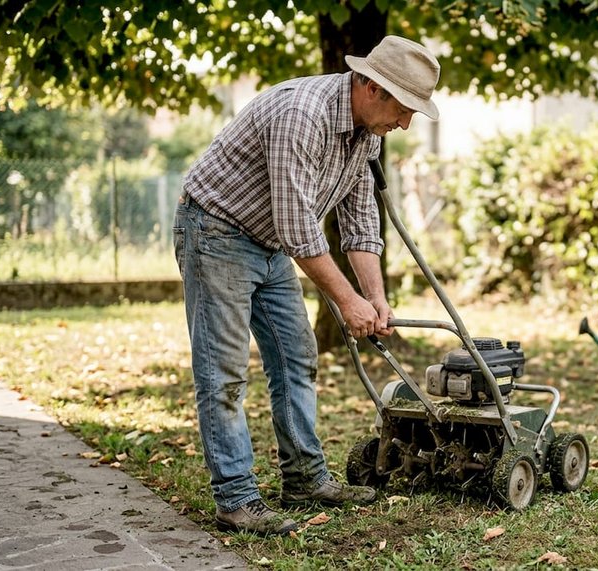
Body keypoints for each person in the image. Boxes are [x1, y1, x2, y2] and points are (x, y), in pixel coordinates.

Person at [172, 35, 441, 535]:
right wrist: (347, 301)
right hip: (216, 233)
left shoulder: (366, 133)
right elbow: (298, 227)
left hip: (270, 242)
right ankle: (236, 500)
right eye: (404, 109)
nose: (405, 123)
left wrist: (375, 298)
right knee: (223, 374)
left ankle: (305, 480)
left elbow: (360, 220)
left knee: (296, 358)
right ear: (372, 87)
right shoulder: (303, 114)